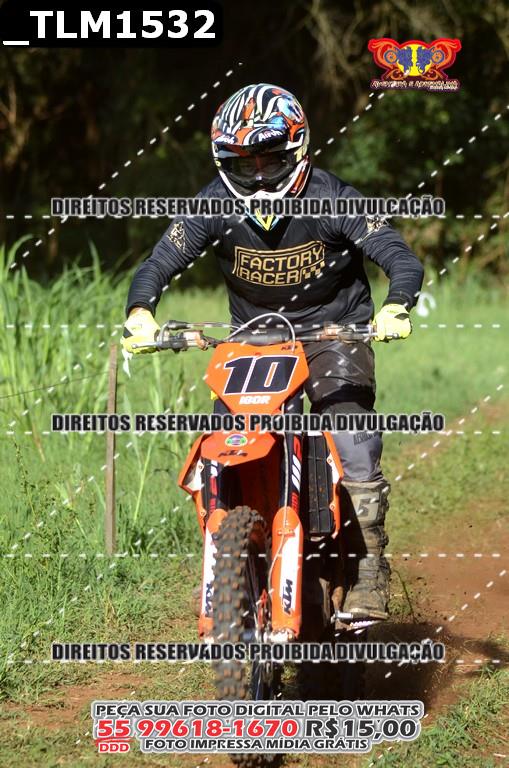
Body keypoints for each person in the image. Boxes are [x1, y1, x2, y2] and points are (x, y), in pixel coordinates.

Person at [121, 83, 424, 620]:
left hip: (335, 336)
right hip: (255, 340)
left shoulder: (334, 199)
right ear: (225, 162)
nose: (259, 174)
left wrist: (397, 305)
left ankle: (367, 569)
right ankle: (231, 562)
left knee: (351, 438)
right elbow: (160, 261)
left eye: (271, 158)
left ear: (298, 149)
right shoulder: (213, 203)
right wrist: (141, 311)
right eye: (245, 163)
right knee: (223, 447)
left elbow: (398, 255)